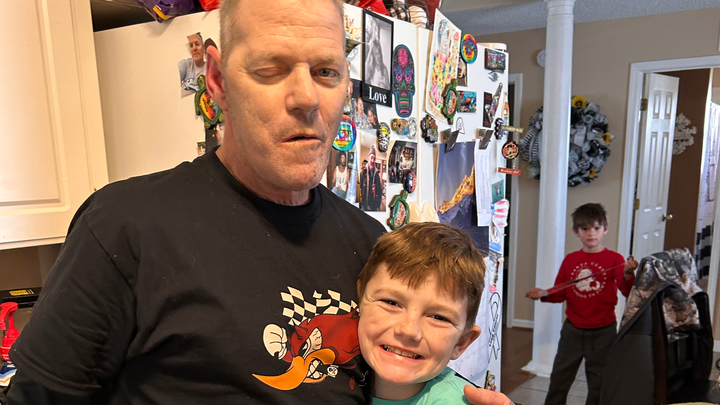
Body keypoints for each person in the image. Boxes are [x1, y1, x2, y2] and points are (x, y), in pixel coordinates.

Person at [7, 1, 512, 404]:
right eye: (271, 69)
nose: (306, 98)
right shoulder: (124, 227)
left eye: (326, 71)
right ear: (217, 81)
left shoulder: (371, 244)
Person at [356, 222, 484, 404]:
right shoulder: (340, 377)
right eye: (391, 303)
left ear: (461, 342)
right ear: (359, 300)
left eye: (439, 317)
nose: (408, 330)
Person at [525, 203, 639, 405]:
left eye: (596, 228)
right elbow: (560, 292)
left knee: (599, 383)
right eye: (585, 229)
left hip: (604, 332)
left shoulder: (615, 259)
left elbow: (627, 291)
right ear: (576, 232)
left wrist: (629, 273)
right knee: (560, 378)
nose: (591, 233)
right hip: (573, 331)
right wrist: (543, 293)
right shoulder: (571, 260)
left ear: (605, 229)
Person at [360, 145, 383, 211]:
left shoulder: (377, 175)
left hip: (374, 206)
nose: (373, 160)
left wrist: (378, 206)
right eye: (371, 158)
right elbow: (359, 190)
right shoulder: (362, 173)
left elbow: (379, 191)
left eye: (374, 158)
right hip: (364, 205)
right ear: (368, 158)